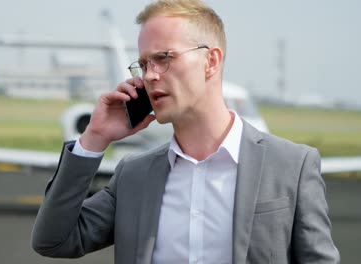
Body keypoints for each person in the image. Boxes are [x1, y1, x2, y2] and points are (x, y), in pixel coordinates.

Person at [31, 0, 340, 263]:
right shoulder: (133, 175)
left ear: (211, 61)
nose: (150, 76)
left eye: (164, 58)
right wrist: (94, 139)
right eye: (143, 64)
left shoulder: (292, 166)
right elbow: (52, 240)